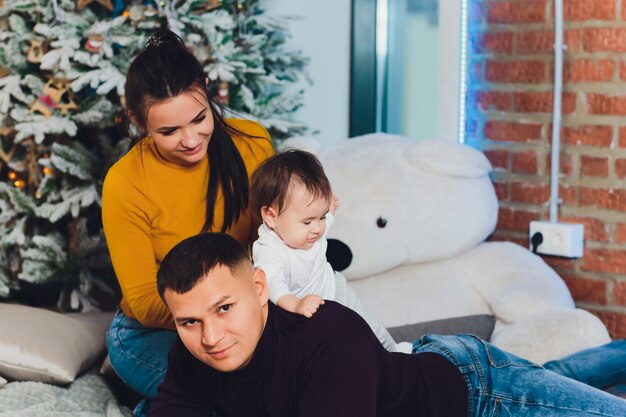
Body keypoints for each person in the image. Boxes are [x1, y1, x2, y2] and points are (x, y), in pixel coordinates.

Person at [149, 232, 626, 417]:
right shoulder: (189, 354)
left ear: (258, 288)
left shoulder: (326, 337)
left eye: (224, 309)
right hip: (413, 366)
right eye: (190, 322)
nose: (211, 338)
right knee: (555, 377)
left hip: (474, 391)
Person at [101, 29, 274, 416]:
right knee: (239, 396)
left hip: (241, 312)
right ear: (137, 120)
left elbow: (275, 239)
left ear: (208, 90)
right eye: (168, 131)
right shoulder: (125, 182)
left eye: (199, 118)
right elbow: (145, 301)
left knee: (286, 382)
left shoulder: (253, 143)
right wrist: (221, 314)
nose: (191, 139)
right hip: (148, 332)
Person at [249, 149, 397, 351]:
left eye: (321, 216)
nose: (318, 228)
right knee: (344, 347)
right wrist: (295, 304)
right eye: (308, 221)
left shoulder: (309, 228)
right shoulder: (269, 250)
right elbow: (273, 283)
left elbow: (326, 221)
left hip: (336, 289)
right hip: (304, 312)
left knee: (372, 329)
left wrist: (330, 211)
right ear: (271, 216)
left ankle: (396, 353)